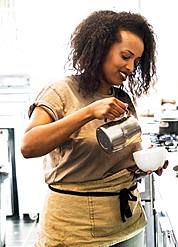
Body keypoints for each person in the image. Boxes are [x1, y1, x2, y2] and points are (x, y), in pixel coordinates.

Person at [20, 10, 168, 247]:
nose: (131, 67)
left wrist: (141, 166)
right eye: (126, 56)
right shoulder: (61, 92)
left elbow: (115, 160)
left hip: (126, 223)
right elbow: (29, 146)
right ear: (100, 48)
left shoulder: (122, 99)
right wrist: (88, 112)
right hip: (74, 231)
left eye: (136, 61)